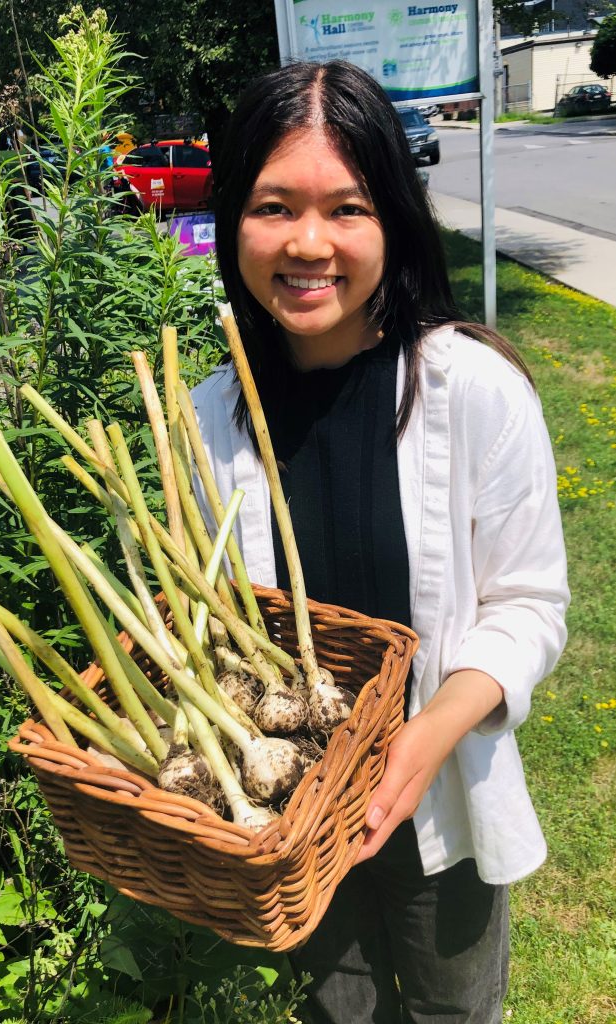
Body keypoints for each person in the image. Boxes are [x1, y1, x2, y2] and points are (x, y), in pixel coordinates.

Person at [190, 61, 569, 1023]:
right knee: (335, 1014)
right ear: (232, 218)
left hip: (438, 793)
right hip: (286, 818)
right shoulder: (203, 422)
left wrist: (427, 733)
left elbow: (528, 606)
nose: (307, 243)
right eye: (274, 206)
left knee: (454, 1011)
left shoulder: (472, 388)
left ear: (392, 221)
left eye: (346, 209)